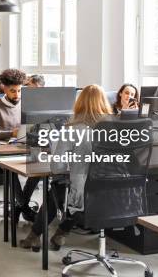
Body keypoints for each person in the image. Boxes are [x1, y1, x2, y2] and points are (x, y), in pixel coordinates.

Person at [20, 84, 113, 251]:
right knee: (75, 190)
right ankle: (60, 234)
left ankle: (34, 237)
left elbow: (57, 167)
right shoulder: (116, 128)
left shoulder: (73, 129)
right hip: (109, 188)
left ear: (79, 103)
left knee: (58, 187)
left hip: (82, 188)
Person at [0, 69, 38, 221]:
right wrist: (11, 133)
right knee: (11, 171)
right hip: (1, 152)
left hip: (24, 148)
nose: (17, 95)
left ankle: (20, 206)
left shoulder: (27, 105)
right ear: (4, 88)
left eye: (19, 91)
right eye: (13, 91)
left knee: (40, 169)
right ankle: (25, 208)